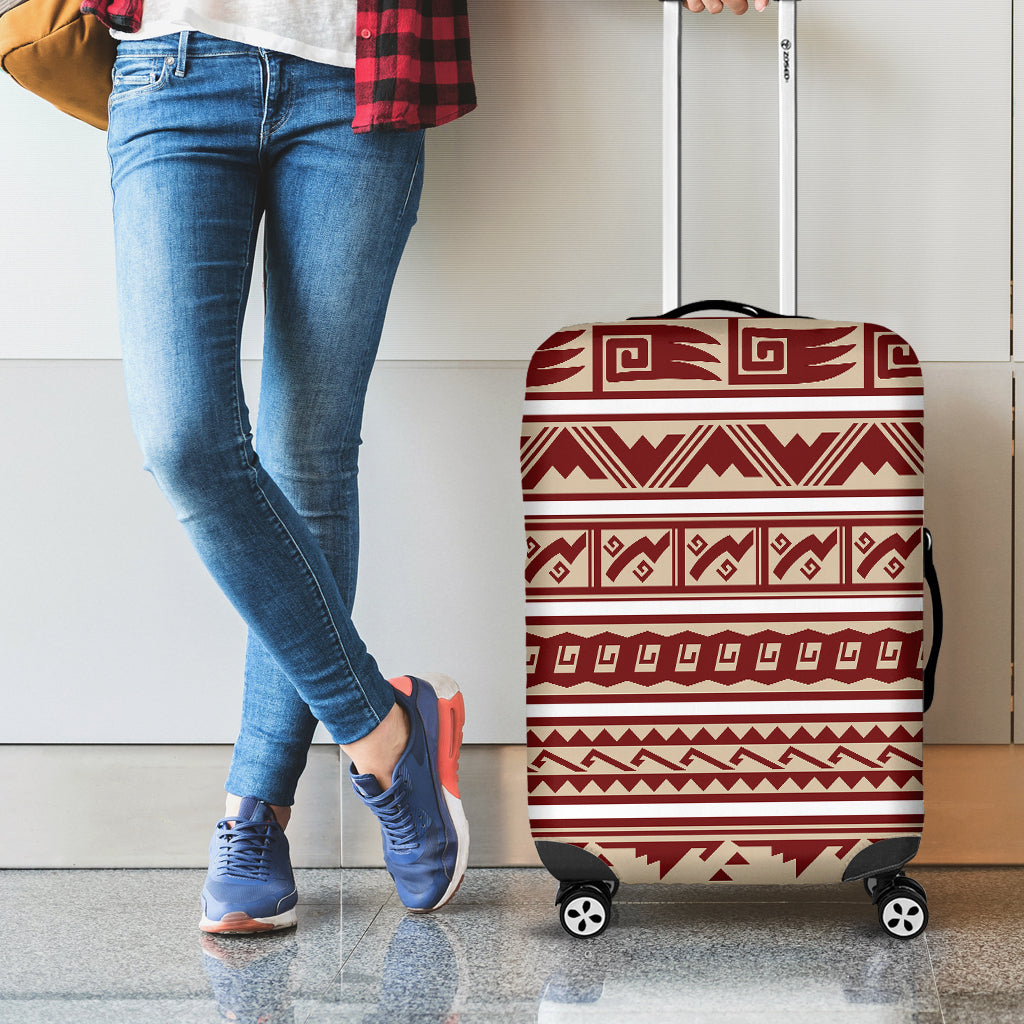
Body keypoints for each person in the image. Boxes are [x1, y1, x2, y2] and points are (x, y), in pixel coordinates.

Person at [83, 0, 476, 933]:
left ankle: (255, 813)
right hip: (173, 69)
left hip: (359, 79)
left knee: (309, 455)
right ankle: (385, 730)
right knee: (184, 442)